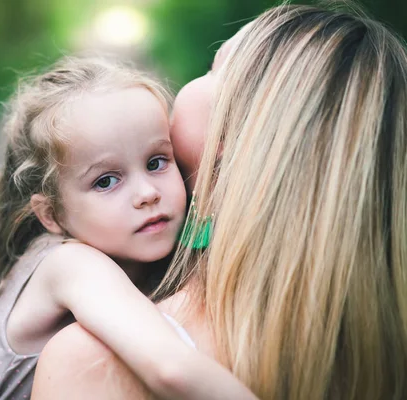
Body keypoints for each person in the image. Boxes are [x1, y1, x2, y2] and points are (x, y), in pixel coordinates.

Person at [31, 4, 407, 400]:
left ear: (232, 137)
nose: (144, 193)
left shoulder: (94, 365)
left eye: (214, 66)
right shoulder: (382, 354)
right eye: (107, 181)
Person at [0, 57, 256, 400]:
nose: (147, 194)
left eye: (156, 162)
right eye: (106, 181)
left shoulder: (131, 250)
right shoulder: (70, 265)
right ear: (52, 214)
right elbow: (171, 368)